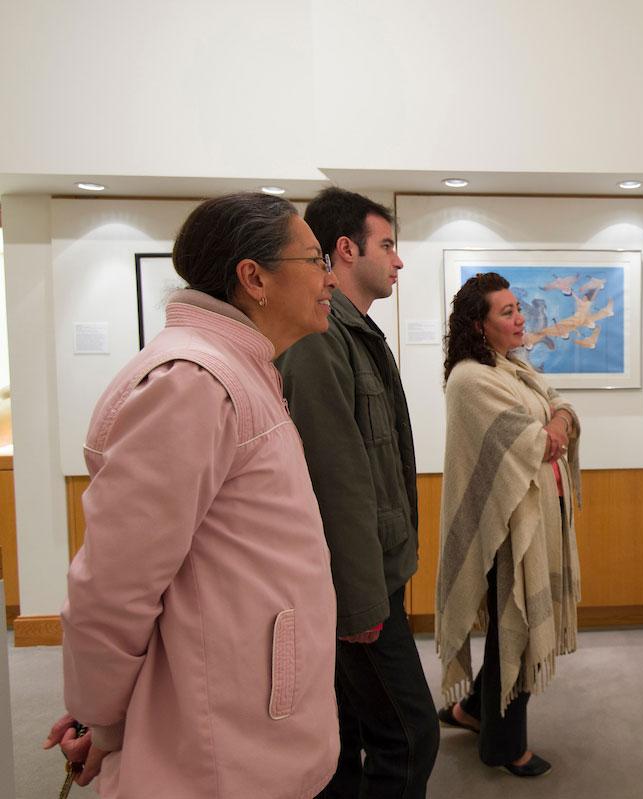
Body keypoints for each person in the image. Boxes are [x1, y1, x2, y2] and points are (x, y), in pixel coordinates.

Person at [43, 192, 340, 796]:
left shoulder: (238, 369)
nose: (329, 277)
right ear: (254, 278)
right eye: (315, 260)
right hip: (218, 746)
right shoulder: (194, 382)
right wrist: (102, 720)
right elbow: (113, 586)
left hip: (239, 713)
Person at [275, 187, 438, 798]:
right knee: (409, 733)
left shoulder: (352, 330)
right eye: (388, 244)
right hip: (358, 586)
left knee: (344, 736)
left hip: (369, 572)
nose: (398, 260)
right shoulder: (321, 337)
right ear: (346, 248)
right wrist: (364, 601)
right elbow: (334, 479)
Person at [436, 272, 582, 778]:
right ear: (479, 325)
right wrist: (552, 431)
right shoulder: (472, 380)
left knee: (507, 626)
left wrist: (557, 423)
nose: (520, 318)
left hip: (532, 518)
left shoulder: (511, 369)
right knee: (512, 628)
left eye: (518, 308)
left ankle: (472, 711)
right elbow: (533, 444)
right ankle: (504, 746)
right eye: (506, 312)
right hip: (506, 527)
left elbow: (560, 408)